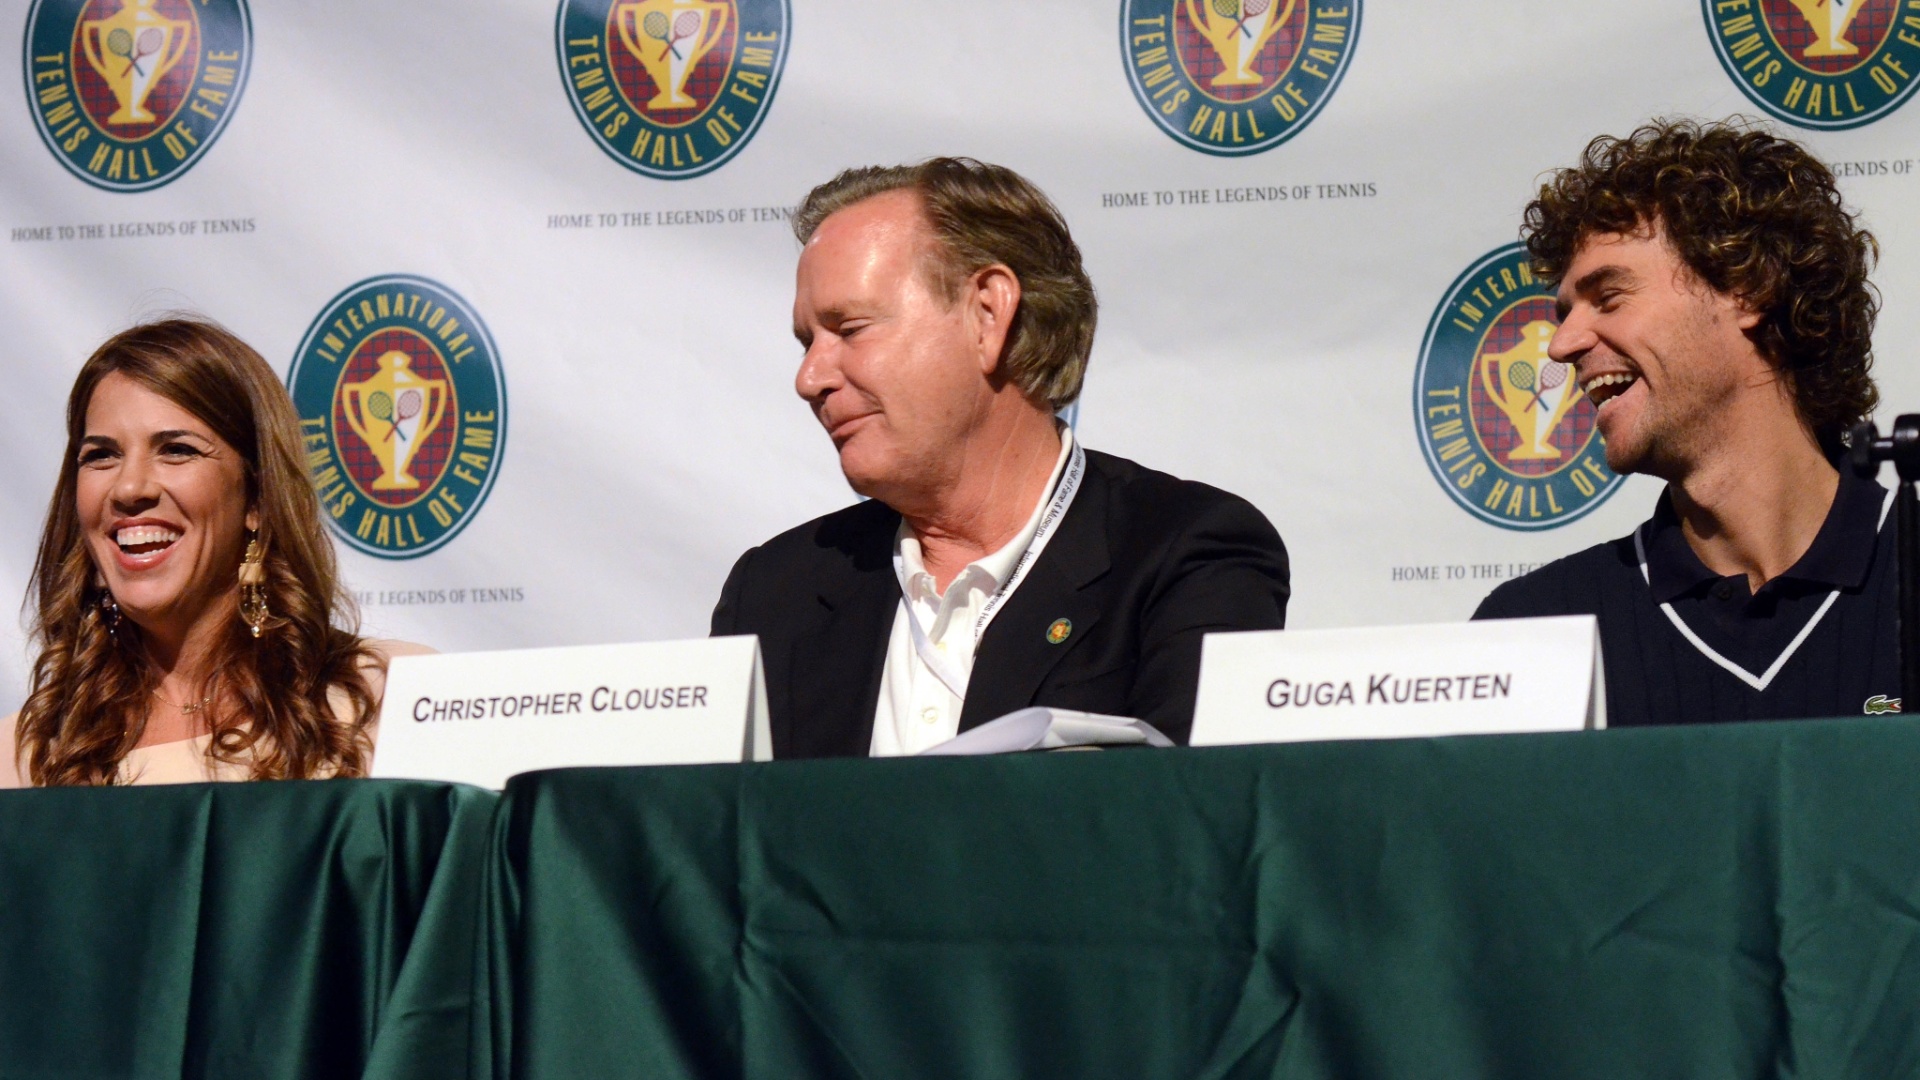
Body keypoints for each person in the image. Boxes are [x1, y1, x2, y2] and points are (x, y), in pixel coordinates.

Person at [711, 157, 1290, 757]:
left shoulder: (1185, 555)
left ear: (987, 314)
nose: (810, 378)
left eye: (850, 329)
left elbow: (1190, 827)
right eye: (808, 342)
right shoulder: (775, 592)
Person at [1474, 118, 1895, 725]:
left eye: (1609, 297)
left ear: (1748, 287)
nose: (1561, 345)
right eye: (1564, 312)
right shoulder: (1532, 631)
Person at [2, 319, 431, 786]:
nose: (128, 488)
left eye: (177, 450)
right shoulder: (27, 755)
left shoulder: (391, 699)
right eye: (101, 455)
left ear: (256, 498)